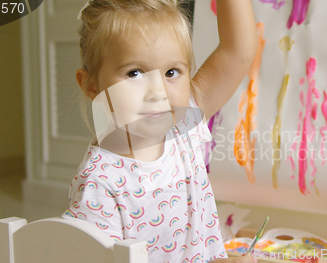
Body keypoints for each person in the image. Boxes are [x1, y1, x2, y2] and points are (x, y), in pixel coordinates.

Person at [61, 0, 258, 262]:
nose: (158, 92)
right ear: (91, 86)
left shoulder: (183, 124)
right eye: (134, 73)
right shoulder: (100, 184)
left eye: (172, 72)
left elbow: (238, 51)